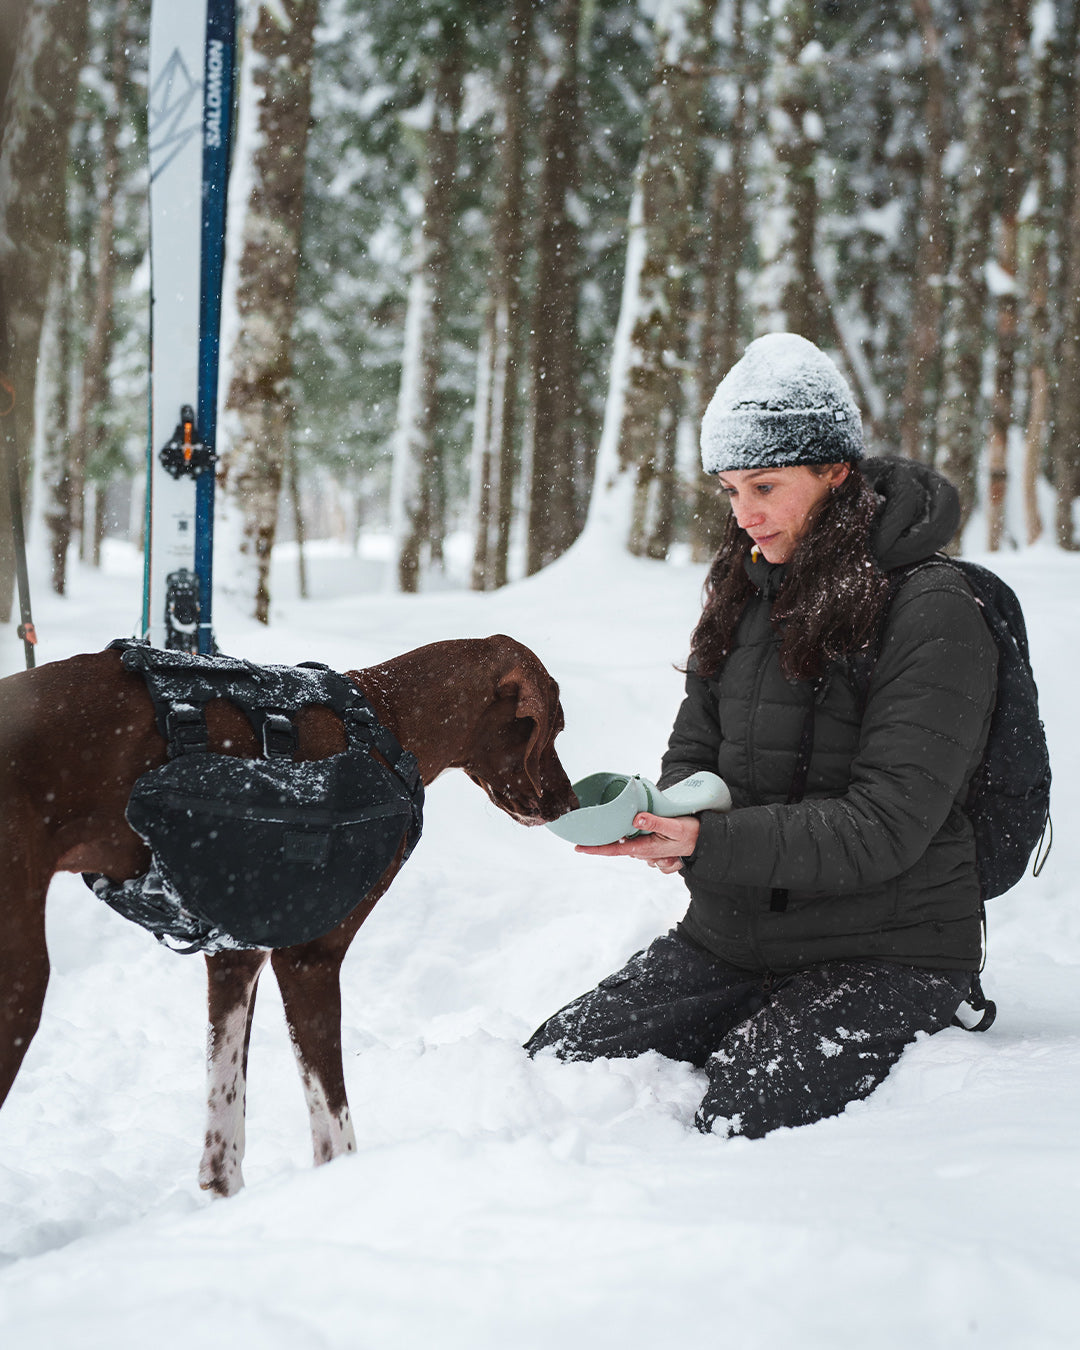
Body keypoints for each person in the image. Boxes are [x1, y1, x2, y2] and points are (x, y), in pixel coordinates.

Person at [526, 332, 998, 1138]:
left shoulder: (935, 610)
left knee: (745, 1107)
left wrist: (709, 843)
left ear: (838, 473)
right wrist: (667, 817)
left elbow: (885, 827)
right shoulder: (745, 591)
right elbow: (696, 748)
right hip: (732, 937)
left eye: (767, 486)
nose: (745, 514)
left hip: (890, 950)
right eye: (730, 489)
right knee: (556, 1067)